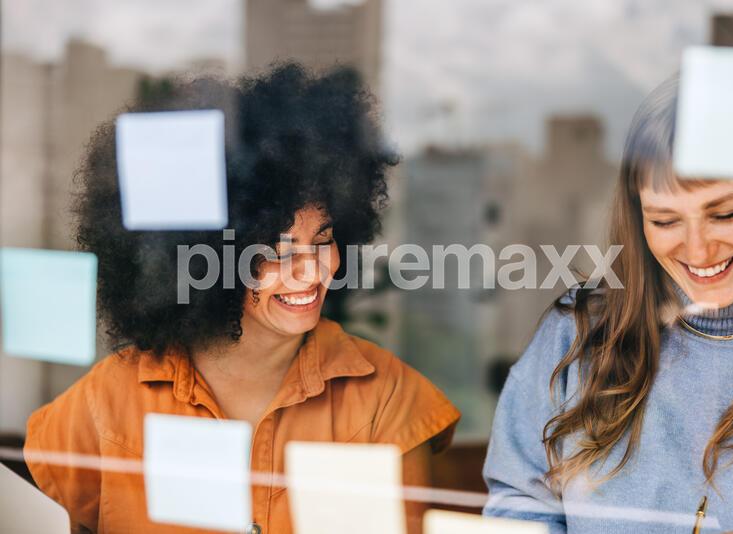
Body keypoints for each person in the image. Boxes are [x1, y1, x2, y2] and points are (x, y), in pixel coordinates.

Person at [24, 64, 460, 534]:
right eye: (276, 250)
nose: (313, 270)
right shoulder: (107, 401)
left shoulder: (387, 398)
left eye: (323, 239)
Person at [483, 77, 733, 533]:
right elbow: (520, 500)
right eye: (665, 220)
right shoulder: (577, 332)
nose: (699, 250)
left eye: (725, 214)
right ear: (638, 220)